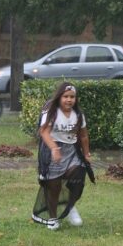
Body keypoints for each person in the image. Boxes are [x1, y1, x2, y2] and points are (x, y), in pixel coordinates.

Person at [32, 82, 92, 230]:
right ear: (59, 97)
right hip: (51, 149)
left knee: (78, 175)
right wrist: (54, 148)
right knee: (54, 186)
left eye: (72, 97)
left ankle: (69, 207)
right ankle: (53, 218)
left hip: (71, 150)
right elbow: (44, 132)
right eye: (66, 96)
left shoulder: (78, 114)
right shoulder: (51, 112)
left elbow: (83, 136)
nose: (69, 100)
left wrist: (86, 153)